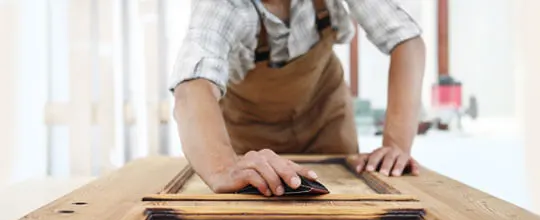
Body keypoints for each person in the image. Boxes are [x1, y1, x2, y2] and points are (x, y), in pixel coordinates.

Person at [170, 0, 425, 196]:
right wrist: (221, 168)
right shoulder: (222, 5)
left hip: (326, 117)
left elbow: (406, 41)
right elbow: (192, 86)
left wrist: (396, 146)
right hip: (248, 133)